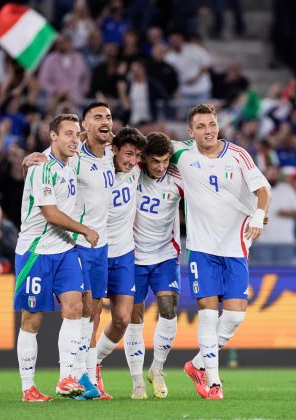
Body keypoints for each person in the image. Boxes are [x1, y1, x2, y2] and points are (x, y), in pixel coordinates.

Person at [170, 104, 271, 400]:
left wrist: (257, 214)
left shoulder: (238, 154)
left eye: (212, 124)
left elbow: (263, 190)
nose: (208, 130)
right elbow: (141, 146)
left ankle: (198, 364)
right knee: (208, 314)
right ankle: (213, 382)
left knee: (235, 317)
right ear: (191, 132)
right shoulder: (181, 153)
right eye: (201, 126)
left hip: (235, 245)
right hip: (201, 248)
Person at [14, 113, 98, 402]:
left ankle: (66, 378)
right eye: (69, 134)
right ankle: (28, 388)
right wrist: (85, 230)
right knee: (32, 319)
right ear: (53, 136)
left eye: (78, 134)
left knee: (76, 306)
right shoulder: (42, 167)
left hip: (64, 250)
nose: (75, 140)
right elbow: (50, 214)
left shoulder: (71, 161)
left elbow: (100, 141)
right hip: (36, 251)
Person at [122, 132, 183, 400]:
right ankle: (137, 381)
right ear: (144, 158)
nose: (160, 167)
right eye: (155, 161)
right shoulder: (131, 174)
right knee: (134, 318)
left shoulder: (179, 179)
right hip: (133, 258)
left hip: (165, 256)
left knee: (168, 310)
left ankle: (156, 369)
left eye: (165, 160)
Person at [92, 127, 147, 399]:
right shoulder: (97, 170)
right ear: (114, 150)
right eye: (128, 154)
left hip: (125, 254)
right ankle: (84, 372)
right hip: (97, 252)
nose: (132, 161)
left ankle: (95, 361)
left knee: (123, 319)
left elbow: (167, 149)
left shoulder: (136, 172)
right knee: (90, 317)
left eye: (137, 155)